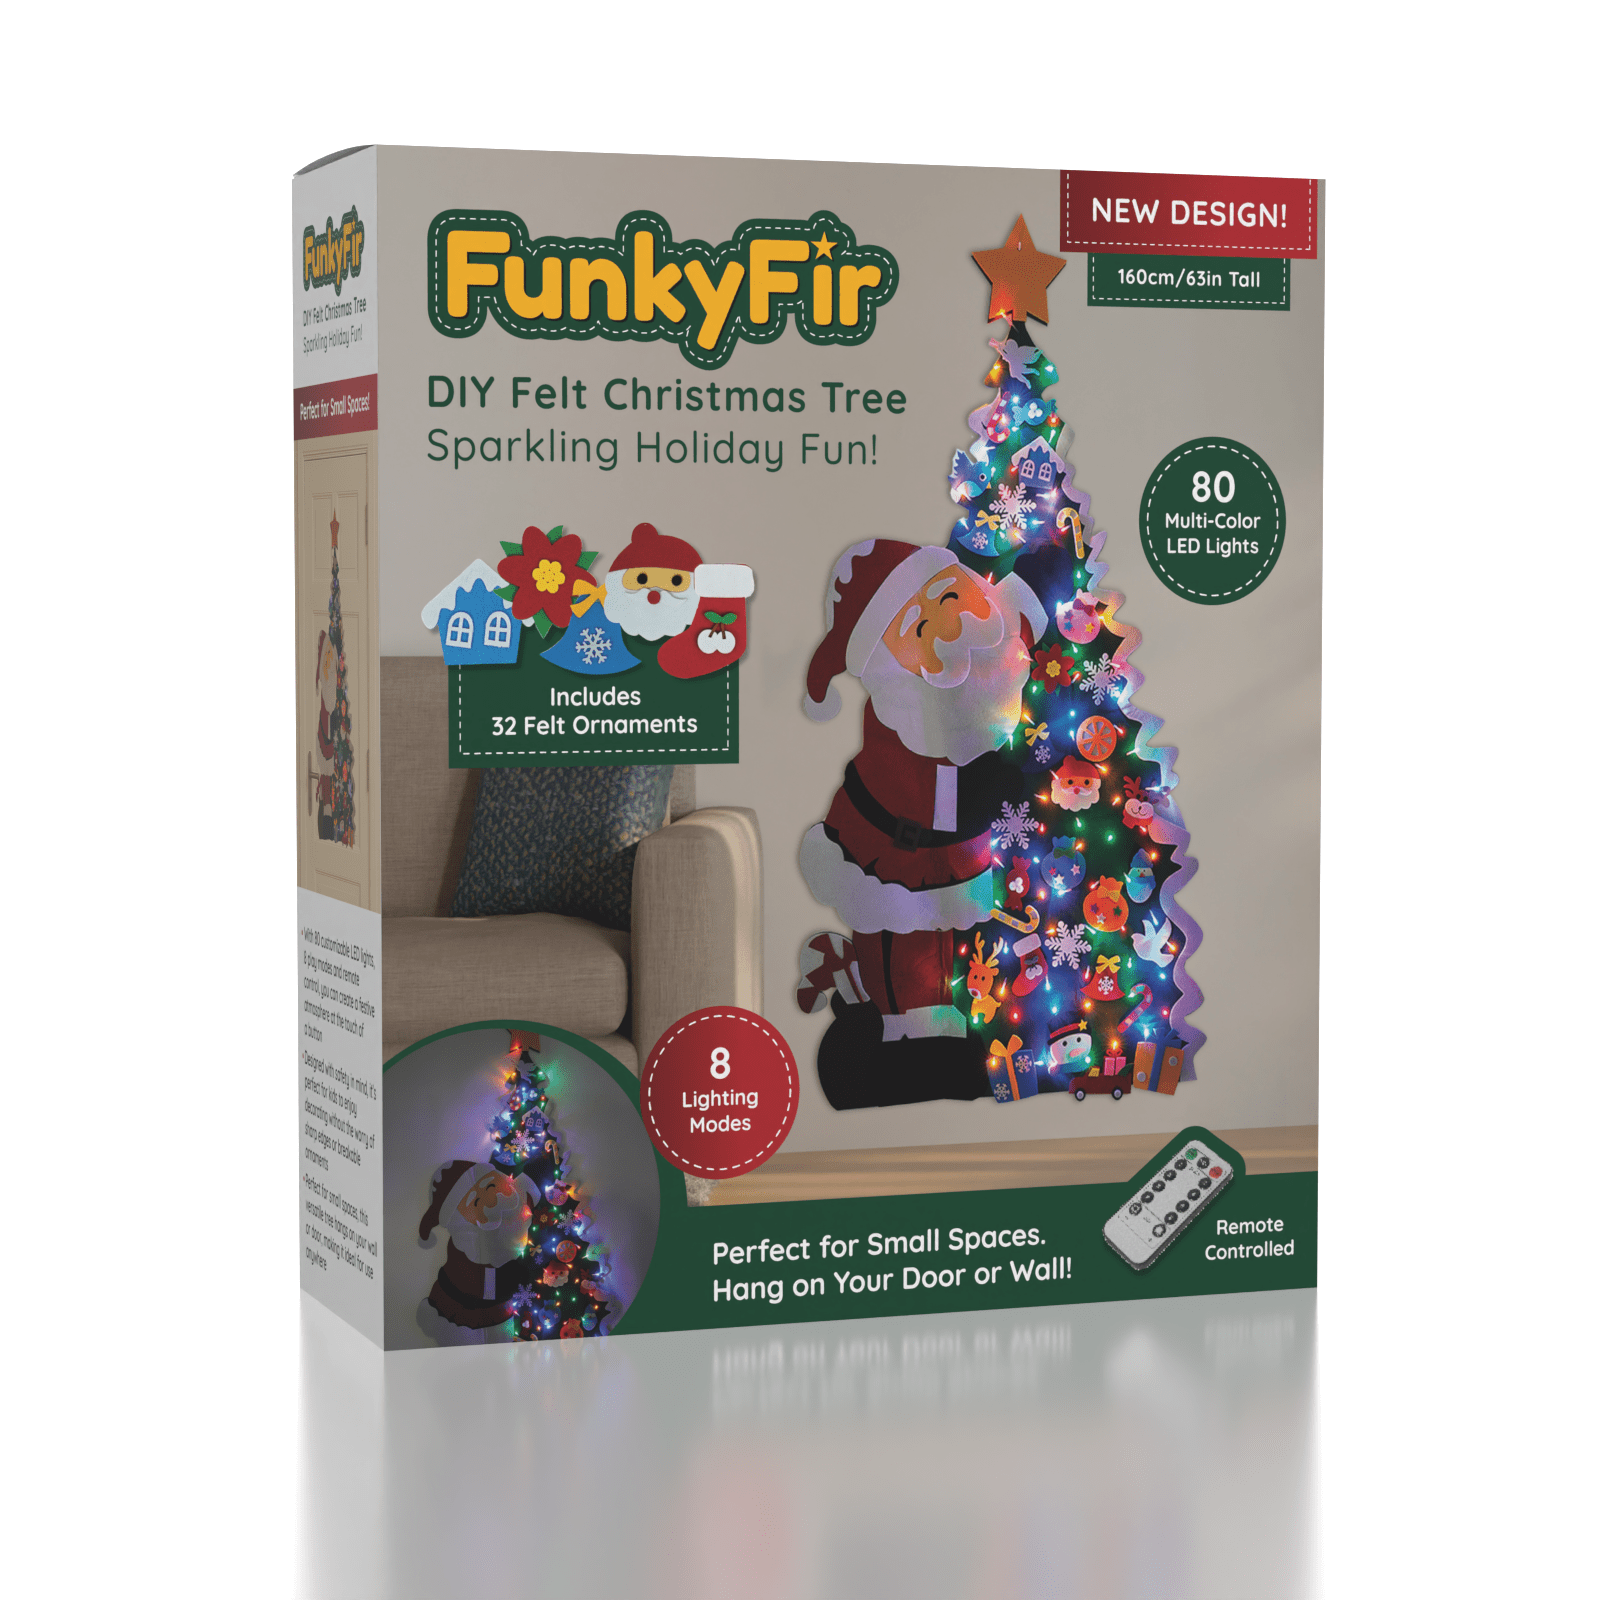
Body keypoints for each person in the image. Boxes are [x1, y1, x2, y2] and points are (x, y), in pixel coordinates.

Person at [799, 539, 1045, 1107]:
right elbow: (907, 796)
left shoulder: (994, 649)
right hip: (896, 861)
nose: (947, 624)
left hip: (957, 860)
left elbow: (1025, 608)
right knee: (900, 948)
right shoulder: (902, 723)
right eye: (918, 626)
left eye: (948, 597)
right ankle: (901, 1038)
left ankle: (935, 1032)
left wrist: (1044, 565)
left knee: (946, 945)